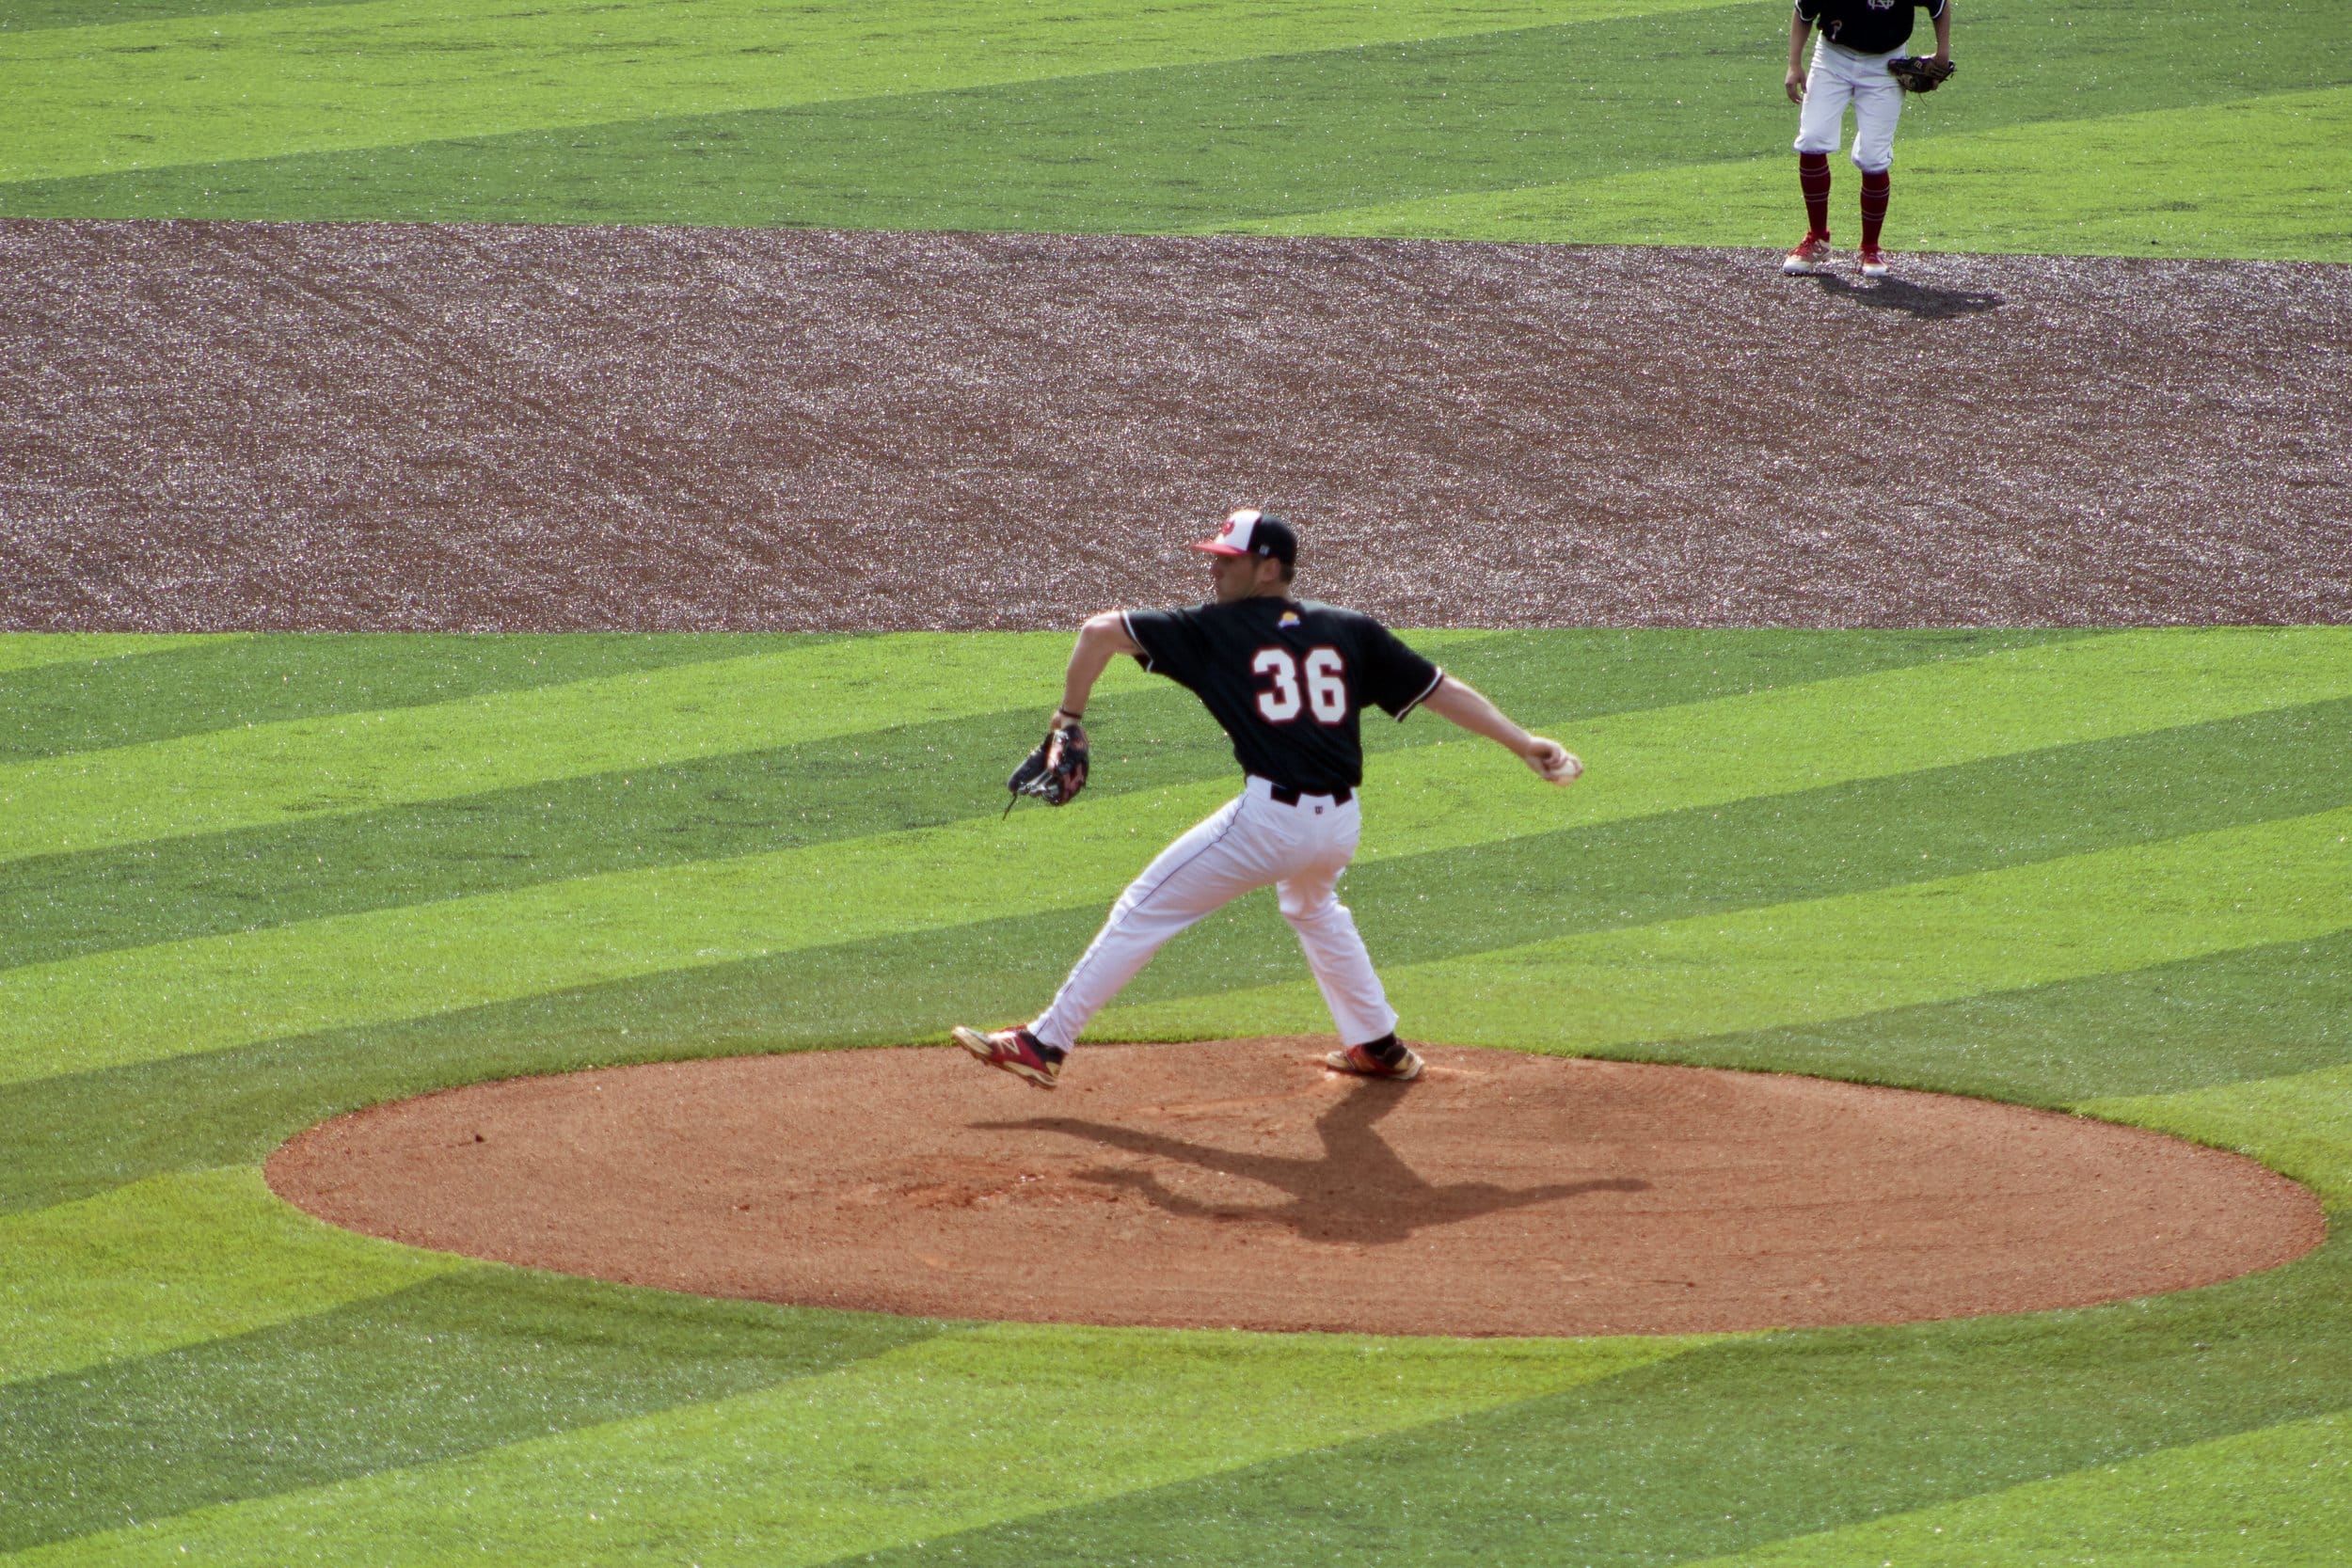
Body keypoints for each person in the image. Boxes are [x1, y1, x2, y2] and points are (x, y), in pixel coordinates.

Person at [952, 508, 1581, 1090]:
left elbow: (1097, 631)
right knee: (1313, 906)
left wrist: (1067, 717)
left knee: (1144, 905)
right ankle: (1377, 1044)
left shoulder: (1210, 629)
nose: (1214, 566)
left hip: (1270, 823)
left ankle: (1045, 1042)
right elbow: (1440, 689)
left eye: (1228, 557)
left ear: (1269, 566)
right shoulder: (1349, 628)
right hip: (1338, 824)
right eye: (1215, 555)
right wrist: (1523, 742)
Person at [1781, 0, 1952, 278]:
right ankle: (1817, 238)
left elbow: (1939, 5)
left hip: (1886, 65)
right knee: (1812, 139)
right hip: (1831, 59)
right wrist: (1793, 63)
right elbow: (1803, 12)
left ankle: (1870, 248)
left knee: (1873, 158)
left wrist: (1942, 55)